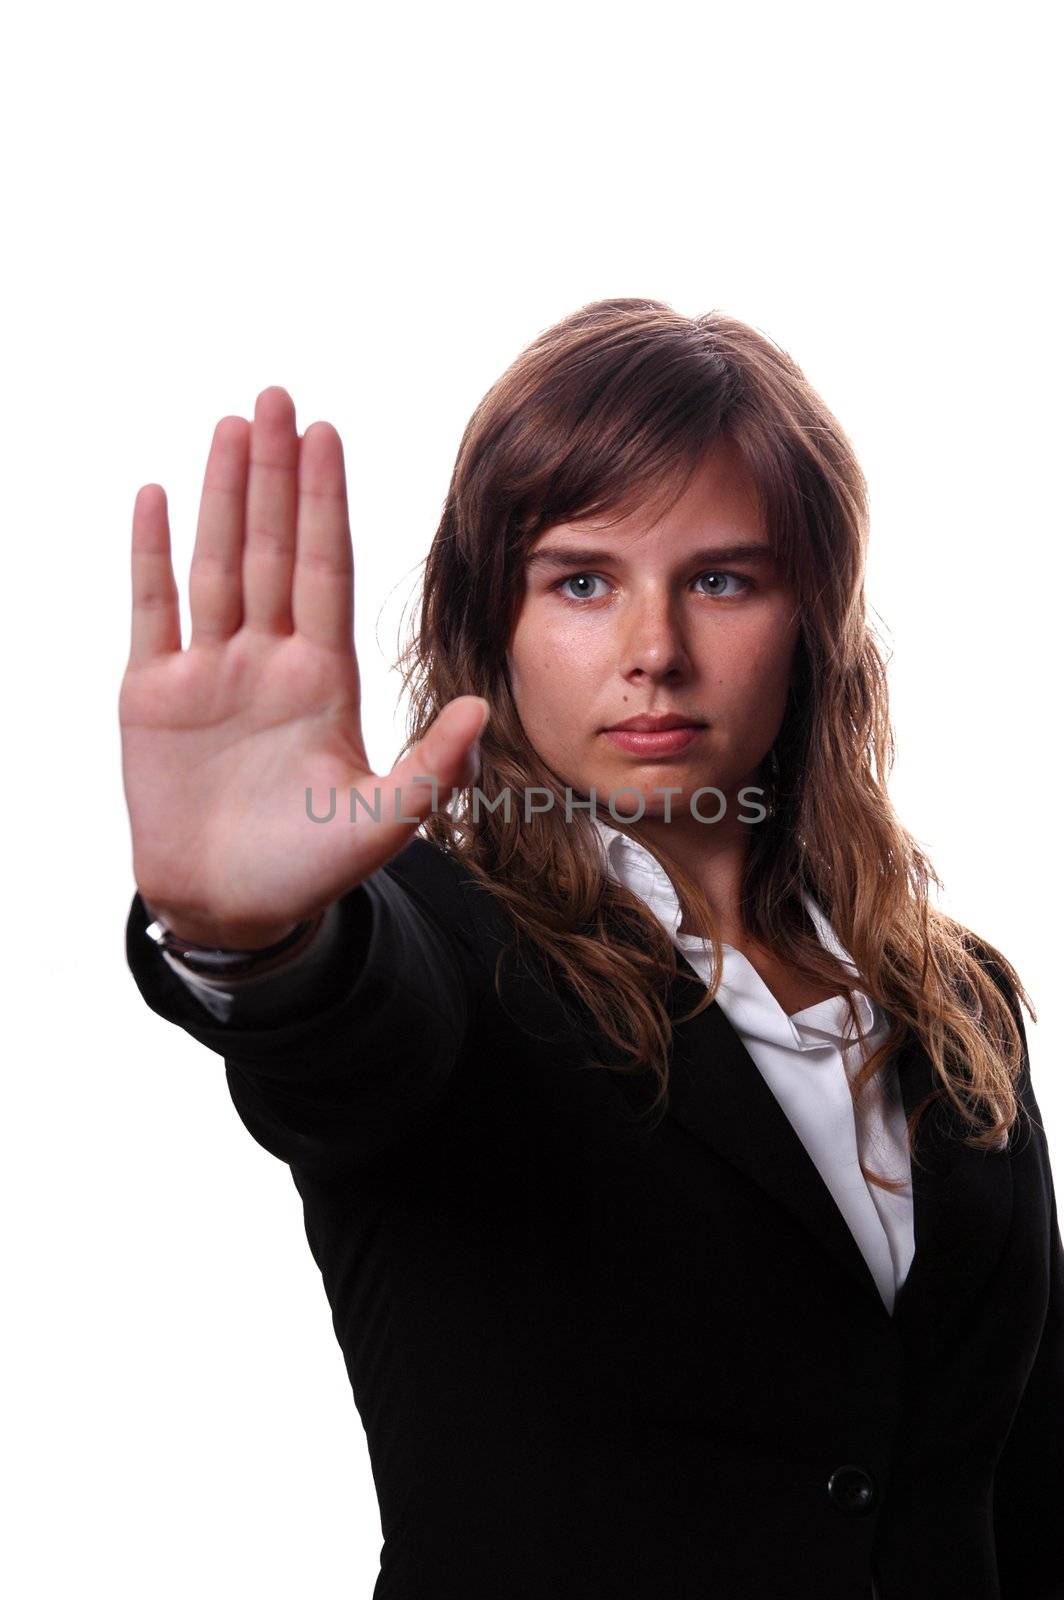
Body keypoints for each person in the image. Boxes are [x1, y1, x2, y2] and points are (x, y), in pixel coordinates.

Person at [120, 299, 1063, 1600]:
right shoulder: (444, 945)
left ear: (816, 620)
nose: (656, 653)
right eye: (581, 581)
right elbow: (344, 1027)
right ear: (490, 625)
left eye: (723, 579)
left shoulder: (962, 999)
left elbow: (1016, 1476)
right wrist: (249, 937)